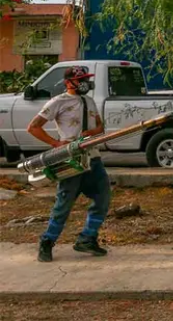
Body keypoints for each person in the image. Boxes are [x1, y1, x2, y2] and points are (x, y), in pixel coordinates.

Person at [26, 66, 111, 263]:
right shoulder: (58, 102)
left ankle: (87, 238)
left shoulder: (89, 101)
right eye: (80, 79)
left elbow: (100, 127)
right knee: (64, 203)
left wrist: (90, 133)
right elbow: (33, 127)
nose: (85, 83)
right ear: (68, 82)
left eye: (86, 79)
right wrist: (56, 144)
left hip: (93, 157)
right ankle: (47, 241)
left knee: (103, 197)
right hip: (70, 159)